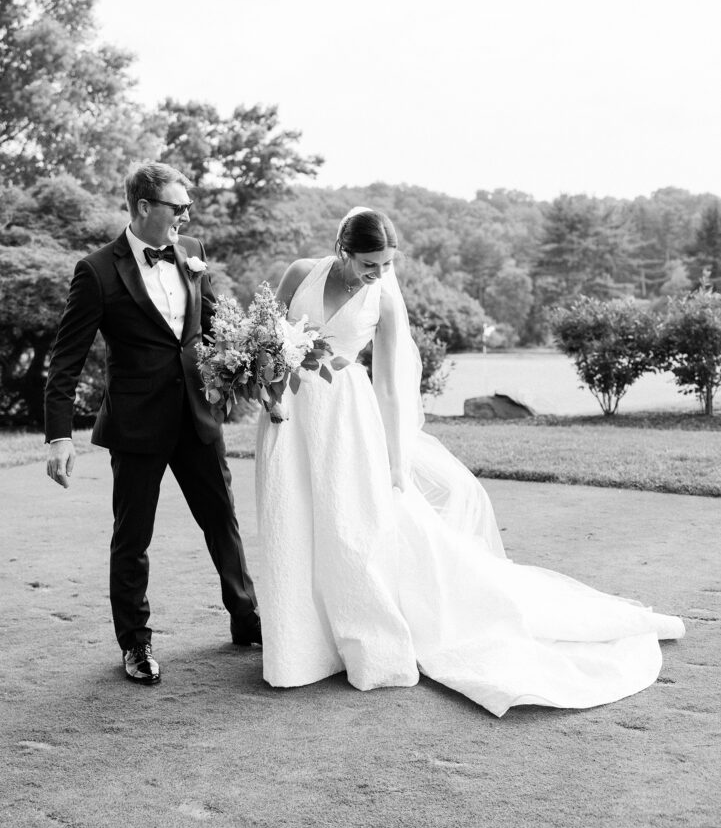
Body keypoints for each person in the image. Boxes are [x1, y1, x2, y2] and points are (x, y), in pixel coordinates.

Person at [254, 207, 684, 717]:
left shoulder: (384, 298)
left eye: (388, 264)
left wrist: (395, 461)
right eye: (371, 264)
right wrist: (265, 386)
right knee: (291, 521)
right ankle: (299, 647)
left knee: (349, 529)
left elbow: (391, 386)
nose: (380, 274)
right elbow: (263, 337)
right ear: (343, 251)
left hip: (346, 417)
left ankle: (366, 643)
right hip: (287, 413)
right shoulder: (301, 273)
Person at [45, 162, 260, 686]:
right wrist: (58, 435)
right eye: (177, 207)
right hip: (136, 424)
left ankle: (246, 618)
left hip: (197, 416)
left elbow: (213, 329)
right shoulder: (95, 270)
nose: (186, 215)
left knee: (222, 521)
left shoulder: (193, 256)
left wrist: (253, 368)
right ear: (144, 207)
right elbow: (65, 359)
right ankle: (136, 645)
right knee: (133, 537)